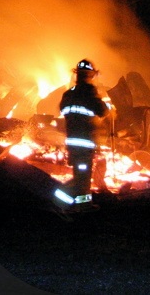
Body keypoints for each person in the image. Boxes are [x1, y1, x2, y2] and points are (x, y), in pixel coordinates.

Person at [55, 59, 111, 212]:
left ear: (77, 75)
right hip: (84, 144)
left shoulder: (68, 94)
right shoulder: (89, 92)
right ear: (91, 75)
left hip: (72, 143)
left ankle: (77, 205)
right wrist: (107, 103)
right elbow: (102, 111)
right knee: (82, 179)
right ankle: (64, 203)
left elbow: (63, 111)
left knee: (81, 177)